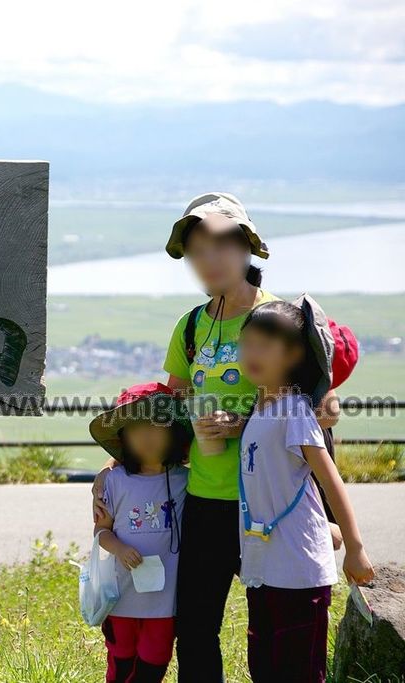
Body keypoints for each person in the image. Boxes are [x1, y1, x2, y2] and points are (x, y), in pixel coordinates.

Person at [91, 192, 342, 682]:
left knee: (270, 627)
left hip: (270, 504)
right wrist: (118, 461)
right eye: (197, 250)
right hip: (204, 497)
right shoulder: (190, 327)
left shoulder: (283, 320)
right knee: (195, 625)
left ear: (247, 246)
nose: (208, 260)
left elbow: (319, 416)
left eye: (220, 245)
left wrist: (243, 426)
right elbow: (169, 411)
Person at [236, 297, 374, 682]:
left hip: (298, 569)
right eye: (246, 343)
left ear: (294, 354)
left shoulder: (295, 411)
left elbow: (331, 482)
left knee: (298, 669)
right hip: (264, 567)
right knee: (264, 666)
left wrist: (355, 548)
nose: (252, 353)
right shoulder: (259, 409)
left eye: (264, 345)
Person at [89, 382, 192, 683]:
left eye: (156, 426)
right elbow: (101, 532)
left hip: (165, 597)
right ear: (122, 437)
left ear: (174, 431)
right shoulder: (115, 482)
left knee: (156, 659)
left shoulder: (188, 480)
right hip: (121, 595)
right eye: (135, 428)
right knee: (121, 659)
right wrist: (119, 548)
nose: (146, 436)